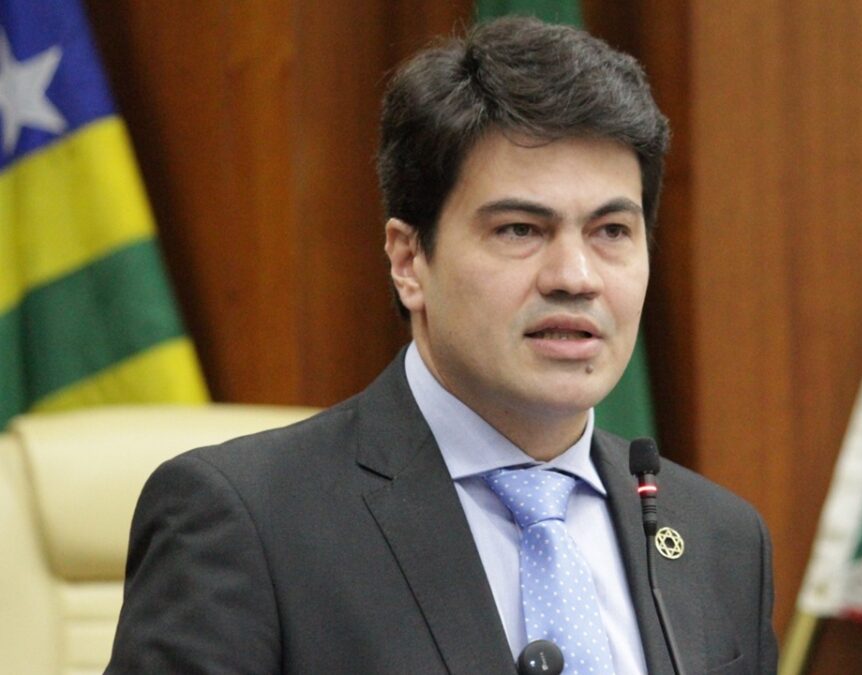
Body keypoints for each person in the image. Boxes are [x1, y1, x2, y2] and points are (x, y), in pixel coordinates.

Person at [107, 16, 777, 675]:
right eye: (519, 230)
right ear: (408, 260)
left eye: (611, 232)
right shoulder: (250, 522)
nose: (576, 277)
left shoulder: (721, 540)